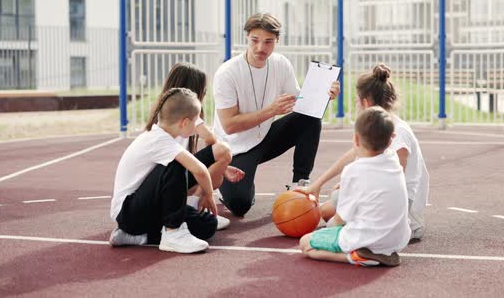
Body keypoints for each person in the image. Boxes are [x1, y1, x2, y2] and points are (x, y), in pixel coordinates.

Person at [212, 13, 340, 217]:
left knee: (310, 117)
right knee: (240, 205)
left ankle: (299, 185)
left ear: (277, 41)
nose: (261, 48)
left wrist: (326, 96)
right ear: (247, 37)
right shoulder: (227, 73)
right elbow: (229, 125)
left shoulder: (281, 64)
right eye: (255, 40)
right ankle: (231, 186)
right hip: (234, 148)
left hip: (265, 138)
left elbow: (303, 104)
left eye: (268, 42)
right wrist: (271, 111)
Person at [307, 63, 429, 240]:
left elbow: (396, 183)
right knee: (328, 207)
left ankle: (406, 225)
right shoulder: (378, 124)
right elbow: (353, 154)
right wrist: (317, 184)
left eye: (356, 100)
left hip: (399, 206)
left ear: (366, 102)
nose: (355, 104)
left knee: (333, 217)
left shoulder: (398, 132)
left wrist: (356, 185)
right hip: (379, 195)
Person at [109, 88, 218, 253]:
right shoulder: (159, 141)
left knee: (208, 224)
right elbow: (200, 170)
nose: (198, 124)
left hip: (147, 208)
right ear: (184, 122)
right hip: (129, 213)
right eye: (196, 120)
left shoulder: (164, 137)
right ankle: (173, 234)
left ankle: (138, 236)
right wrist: (208, 196)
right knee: (177, 164)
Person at [299, 107, 411, 266]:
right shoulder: (392, 158)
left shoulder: (353, 171)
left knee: (306, 243)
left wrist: (327, 230)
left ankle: (357, 256)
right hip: (396, 241)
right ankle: (373, 253)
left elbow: (340, 219)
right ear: (390, 141)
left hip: (366, 240)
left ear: (356, 140)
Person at [145, 62, 245, 230]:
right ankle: (194, 204)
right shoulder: (188, 112)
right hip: (167, 177)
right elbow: (211, 139)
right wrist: (221, 163)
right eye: (203, 90)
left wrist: (222, 165)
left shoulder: (162, 111)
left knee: (214, 169)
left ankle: (191, 204)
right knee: (219, 161)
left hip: (160, 179)